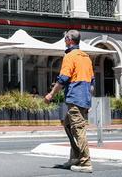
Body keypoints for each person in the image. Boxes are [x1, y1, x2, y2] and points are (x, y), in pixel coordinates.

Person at [45, 30, 94, 173]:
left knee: (78, 130)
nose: (64, 40)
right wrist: (88, 101)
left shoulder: (70, 56)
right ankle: (75, 158)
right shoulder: (86, 58)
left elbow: (63, 79)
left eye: (65, 38)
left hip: (75, 98)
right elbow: (92, 83)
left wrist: (51, 94)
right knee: (68, 125)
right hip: (84, 98)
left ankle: (85, 162)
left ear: (69, 40)